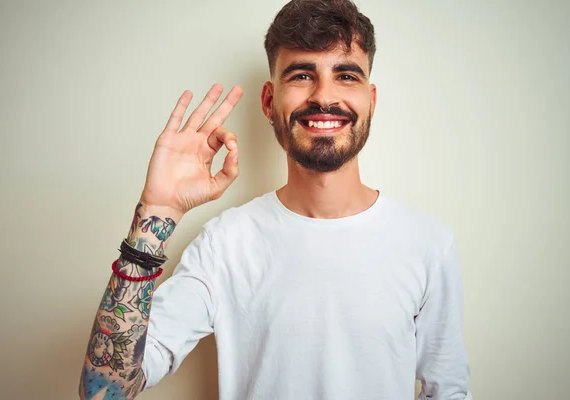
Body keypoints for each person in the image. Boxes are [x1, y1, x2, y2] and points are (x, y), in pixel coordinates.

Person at [79, 0, 472, 398]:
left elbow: (448, 391)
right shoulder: (225, 243)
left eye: (346, 75)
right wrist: (156, 214)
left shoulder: (427, 244)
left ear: (370, 99)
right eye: (302, 75)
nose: (324, 96)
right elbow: (104, 392)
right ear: (269, 102)